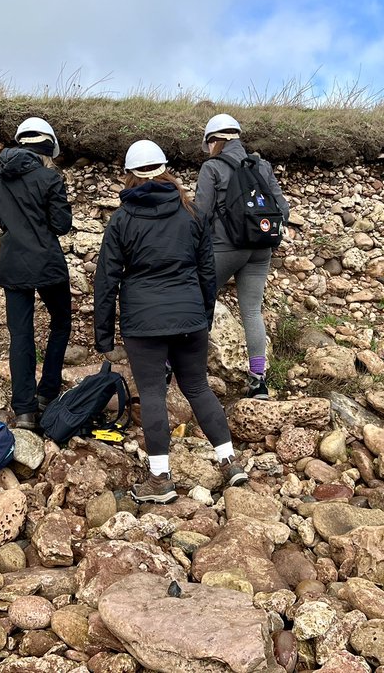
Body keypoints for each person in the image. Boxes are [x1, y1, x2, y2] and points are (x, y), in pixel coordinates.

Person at [94, 139, 249, 503]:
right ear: (166, 168)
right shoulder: (191, 212)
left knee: (152, 394)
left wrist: (104, 336)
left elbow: (106, 279)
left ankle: (160, 480)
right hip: (190, 316)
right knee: (197, 387)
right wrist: (203, 316)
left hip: (144, 321)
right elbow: (207, 271)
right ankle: (230, 463)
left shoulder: (122, 219)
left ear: (130, 174)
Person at [194, 113, 290, 399]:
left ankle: (182, 369)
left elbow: (201, 214)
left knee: (199, 304)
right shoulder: (262, 166)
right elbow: (283, 210)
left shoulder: (212, 167)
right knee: (251, 312)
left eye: (209, 143)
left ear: (215, 141)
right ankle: (258, 380)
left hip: (225, 247)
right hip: (262, 248)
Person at [0, 117, 73, 430]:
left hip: (12, 261)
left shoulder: (1, 176)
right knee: (61, 321)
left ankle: (24, 410)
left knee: (21, 335)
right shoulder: (49, 178)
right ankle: (48, 391)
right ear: (47, 146)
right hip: (47, 262)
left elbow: (0, 215)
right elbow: (62, 225)